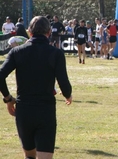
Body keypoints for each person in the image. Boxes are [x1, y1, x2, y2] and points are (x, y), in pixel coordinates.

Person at [0, 16, 72, 159]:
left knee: (30, 155)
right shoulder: (56, 53)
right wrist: (68, 95)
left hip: (24, 110)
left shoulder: (17, 52)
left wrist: (8, 98)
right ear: (49, 32)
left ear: (29, 32)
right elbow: (64, 83)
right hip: (45, 110)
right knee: (45, 155)